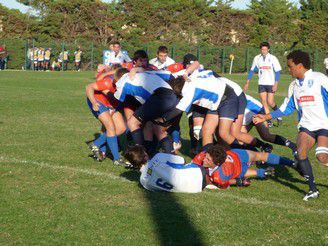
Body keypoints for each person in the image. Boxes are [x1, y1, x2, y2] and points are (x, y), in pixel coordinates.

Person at [253, 50, 328, 201]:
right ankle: (313, 189)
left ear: (300, 66)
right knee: (300, 154)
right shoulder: (294, 86)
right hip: (306, 126)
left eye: (290, 66)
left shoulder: (320, 79)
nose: (289, 69)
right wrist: (265, 116)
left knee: (321, 157)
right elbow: (286, 108)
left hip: (324, 125)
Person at [123, 144, 292, 192]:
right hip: (198, 173)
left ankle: (251, 175)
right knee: (234, 164)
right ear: (145, 155)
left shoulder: (143, 182)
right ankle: (290, 163)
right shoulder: (158, 157)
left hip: (197, 188)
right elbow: (180, 161)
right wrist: (174, 149)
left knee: (221, 177)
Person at [86, 65, 127, 165]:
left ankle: (96, 144)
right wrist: (93, 102)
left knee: (121, 128)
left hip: (111, 104)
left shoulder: (127, 84)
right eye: (116, 81)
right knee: (111, 128)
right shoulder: (108, 82)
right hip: (98, 102)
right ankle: (117, 158)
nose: (116, 83)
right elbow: (89, 87)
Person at [244, 42, 282, 127]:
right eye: (262, 49)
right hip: (261, 83)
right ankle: (269, 121)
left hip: (271, 83)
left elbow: (278, 72)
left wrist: (276, 84)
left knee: (270, 102)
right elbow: (252, 70)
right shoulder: (257, 58)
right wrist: (247, 82)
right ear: (260, 50)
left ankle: (278, 114)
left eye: (265, 49)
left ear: (268, 49)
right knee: (264, 102)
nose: (264, 51)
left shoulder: (273, 58)